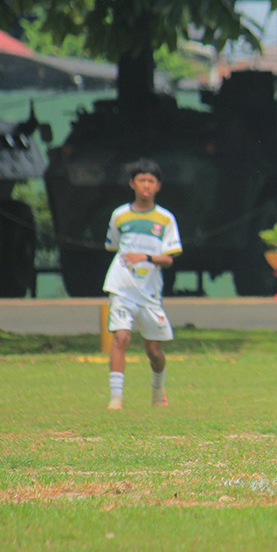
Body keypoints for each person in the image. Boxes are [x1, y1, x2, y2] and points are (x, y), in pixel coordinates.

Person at [103, 159, 182, 410]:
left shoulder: (166, 219)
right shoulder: (120, 215)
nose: (146, 186)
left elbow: (169, 259)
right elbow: (114, 246)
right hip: (121, 287)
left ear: (158, 186)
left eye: (151, 181)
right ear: (132, 184)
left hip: (149, 292)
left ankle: (158, 389)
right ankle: (116, 398)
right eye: (141, 180)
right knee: (121, 337)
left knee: (154, 349)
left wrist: (145, 257)